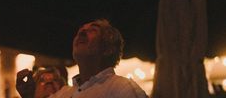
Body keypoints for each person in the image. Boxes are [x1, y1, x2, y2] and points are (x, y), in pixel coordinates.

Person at [17, 19, 147, 98]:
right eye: (81, 30)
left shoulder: (121, 88)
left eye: (93, 30)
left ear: (108, 49)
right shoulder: (63, 94)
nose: (82, 32)